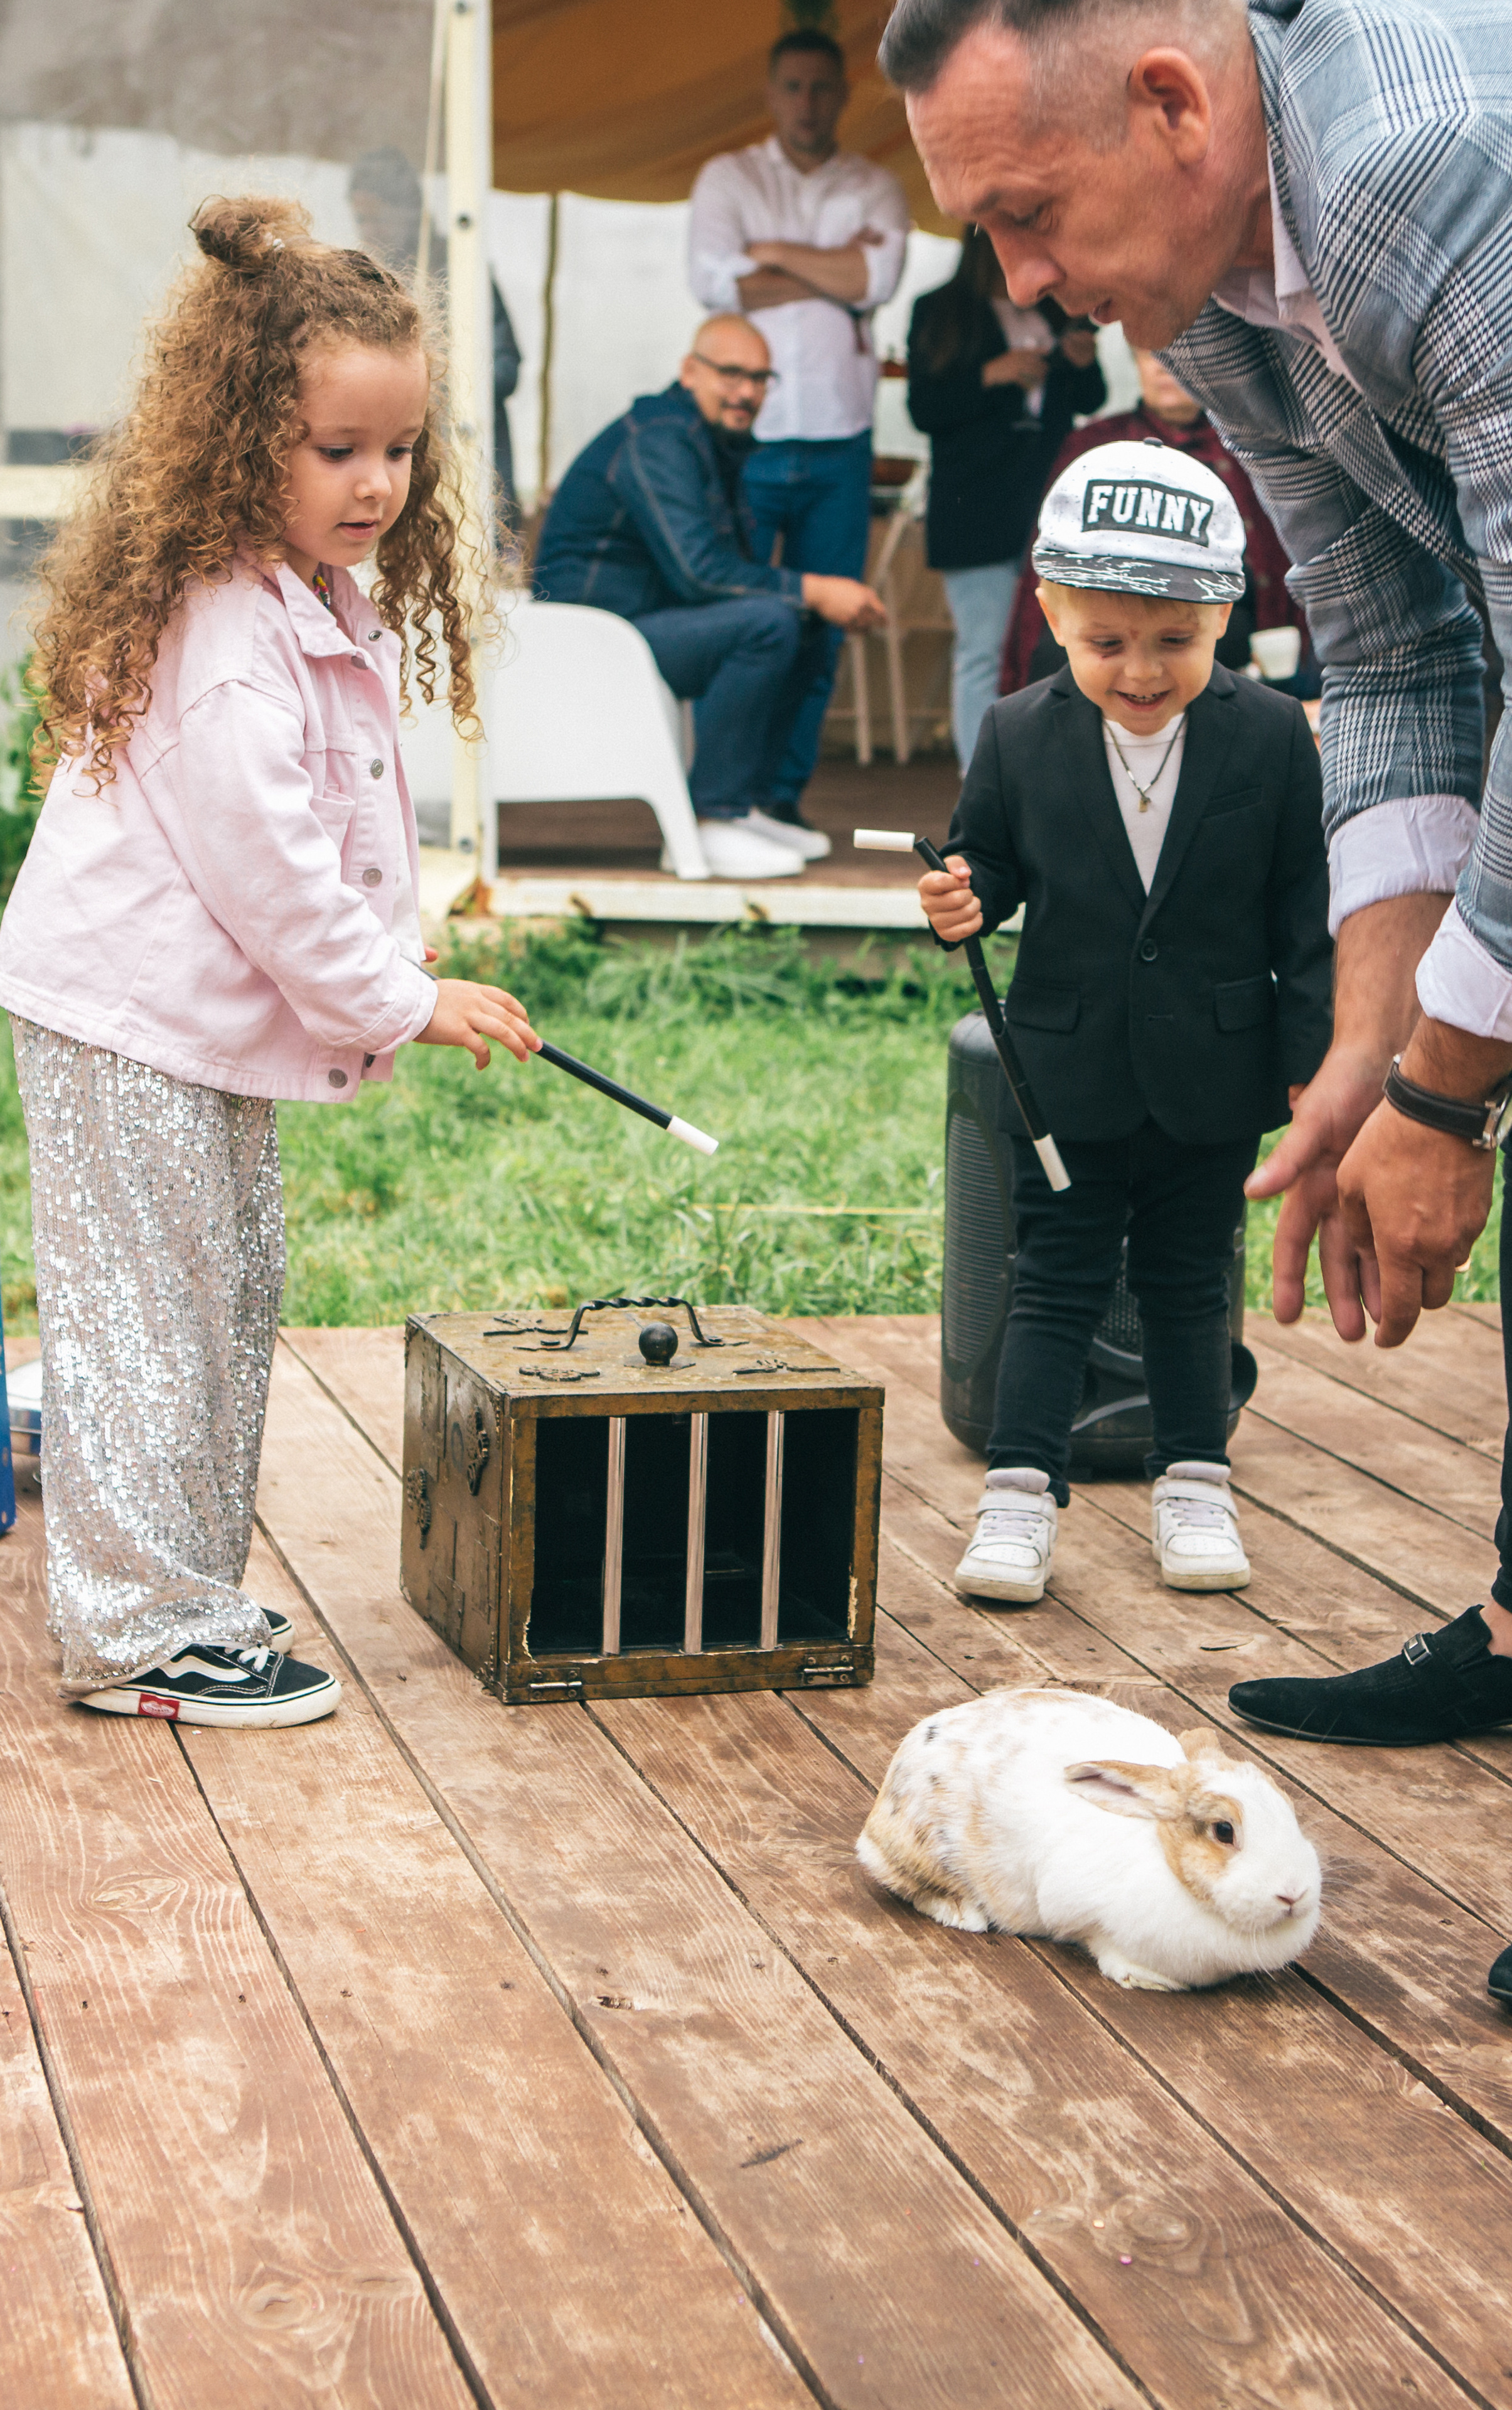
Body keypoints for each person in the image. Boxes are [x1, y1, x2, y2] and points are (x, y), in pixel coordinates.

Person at [879, 0, 1512, 2004]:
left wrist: (1444, 1095)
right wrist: (1364, 1052)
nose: (1018, 280)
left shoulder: (1426, 167)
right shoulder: (1212, 278)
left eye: (1026, 211)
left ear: (1170, 105)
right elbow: (1399, 649)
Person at [0, 196, 539, 1728]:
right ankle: (133, 1631)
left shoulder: (303, 598)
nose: (377, 483)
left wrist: (394, 957)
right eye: (336, 448)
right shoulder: (229, 632)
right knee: (147, 1313)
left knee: (223, 1292)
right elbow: (274, 874)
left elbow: (323, 832)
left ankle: (184, 1593)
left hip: (186, 1023)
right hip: (126, 1024)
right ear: (243, 440)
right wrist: (404, 1000)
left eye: (401, 448)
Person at [920, 442, 1331, 1602]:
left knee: (1191, 1281)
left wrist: (1312, 1065)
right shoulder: (1015, 732)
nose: (1142, 671)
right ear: (1052, 614)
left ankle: (1194, 1480)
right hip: (1065, 1067)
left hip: (1215, 1069)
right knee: (1052, 1275)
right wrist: (961, 899)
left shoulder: (1271, 737)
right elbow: (988, 864)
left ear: (1225, 617)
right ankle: (1018, 1495)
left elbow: (1305, 918)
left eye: (1175, 642)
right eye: (1107, 643)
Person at [532, 313, 886, 882]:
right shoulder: (659, 439)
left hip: (634, 628)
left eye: (760, 379)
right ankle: (709, 819)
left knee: (801, 620)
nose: (747, 392)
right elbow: (700, 574)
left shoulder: (708, 440)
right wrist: (816, 588)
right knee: (769, 623)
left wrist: (811, 600)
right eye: (732, 374)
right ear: (690, 371)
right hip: (593, 642)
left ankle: (747, 805)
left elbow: (719, 572)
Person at [689, 26, 911, 833]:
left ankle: (780, 796)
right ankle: (726, 795)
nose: (807, 102)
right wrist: (833, 270)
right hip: (743, 445)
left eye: (822, 87)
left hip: (839, 445)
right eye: (793, 87)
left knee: (825, 625)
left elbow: (875, 279)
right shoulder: (729, 177)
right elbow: (714, 286)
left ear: (843, 94)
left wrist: (773, 253)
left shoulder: (875, 183)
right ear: (770, 93)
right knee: (741, 616)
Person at [1000, 346, 1311, 697]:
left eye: (1177, 355)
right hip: (1107, 616)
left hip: (1220, 627)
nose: (1164, 368)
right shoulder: (1093, 444)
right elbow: (1049, 563)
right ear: (1136, 363)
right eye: (1151, 356)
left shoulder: (1248, 443)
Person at [906, 227, 1104, 768]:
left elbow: (1092, 399)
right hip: (975, 503)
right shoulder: (942, 309)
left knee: (1055, 645)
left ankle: (1044, 774)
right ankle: (980, 781)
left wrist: (1082, 361)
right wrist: (989, 376)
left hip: (1047, 502)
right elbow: (924, 409)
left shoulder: (1058, 307)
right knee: (984, 648)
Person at [348, 146, 523, 539]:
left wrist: (435, 390)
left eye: (378, 217)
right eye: (361, 219)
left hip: (469, 456)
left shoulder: (459, 266)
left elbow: (507, 366)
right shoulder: (363, 280)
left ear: (409, 210)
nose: (369, 230)